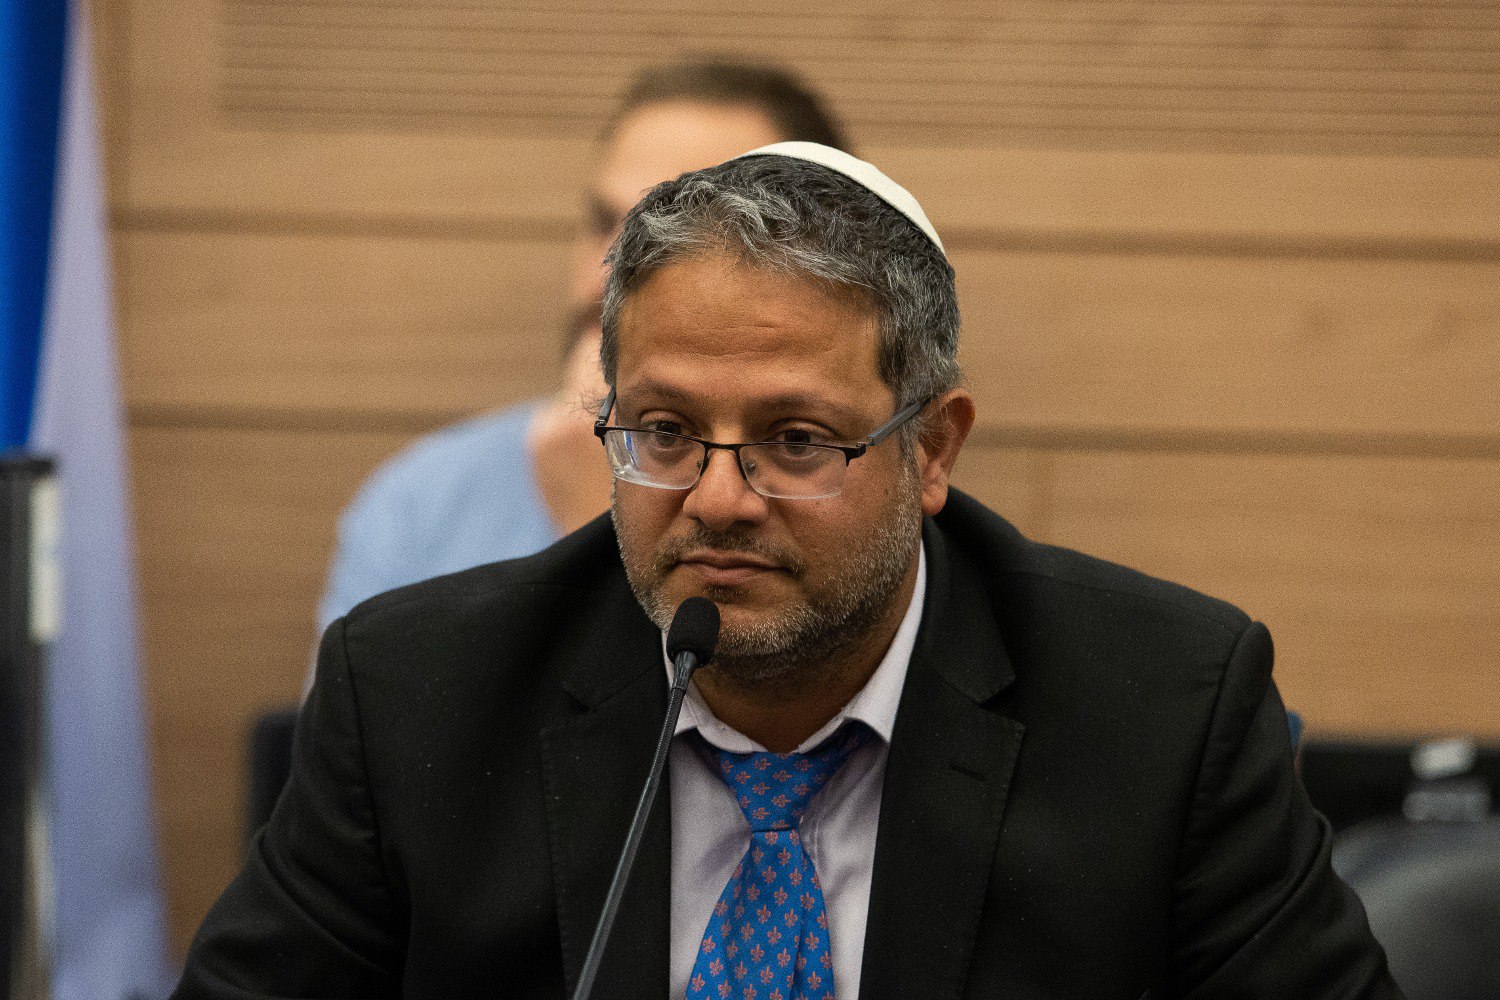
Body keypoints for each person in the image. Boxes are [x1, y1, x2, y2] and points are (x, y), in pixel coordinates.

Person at [176, 145, 1402, 998]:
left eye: (797, 440)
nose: (717, 499)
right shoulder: (418, 694)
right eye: (665, 432)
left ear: (932, 449)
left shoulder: (1164, 711)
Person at [316, 60, 849, 634]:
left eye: (677, 236)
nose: (606, 279)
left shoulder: (847, 494)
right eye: (603, 222)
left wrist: (606, 536)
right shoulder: (420, 504)